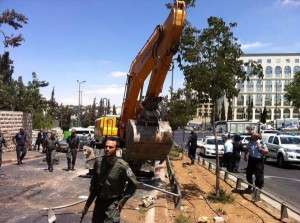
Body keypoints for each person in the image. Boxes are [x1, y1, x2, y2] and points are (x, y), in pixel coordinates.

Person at [82, 136, 137, 223]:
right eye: (106, 146)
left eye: (111, 147)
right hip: (99, 202)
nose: (107, 149)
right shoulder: (99, 162)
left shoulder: (122, 166)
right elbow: (95, 179)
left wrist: (122, 201)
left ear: (116, 149)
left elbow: (133, 184)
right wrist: (91, 190)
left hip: (113, 202)